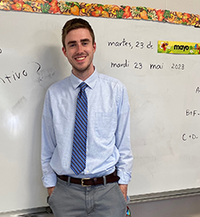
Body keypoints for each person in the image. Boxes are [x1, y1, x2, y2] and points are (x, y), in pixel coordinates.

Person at [41, 18, 133, 217]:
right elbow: (47, 146)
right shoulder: (54, 94)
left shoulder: (115, 90)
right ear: (65, 51)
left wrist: (123, 186)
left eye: (84, 42)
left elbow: (123, 143)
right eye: (72, 44)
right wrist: (51, 189)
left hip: (108, 191)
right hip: (66, 193)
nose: (79, 50)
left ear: (94, 46)